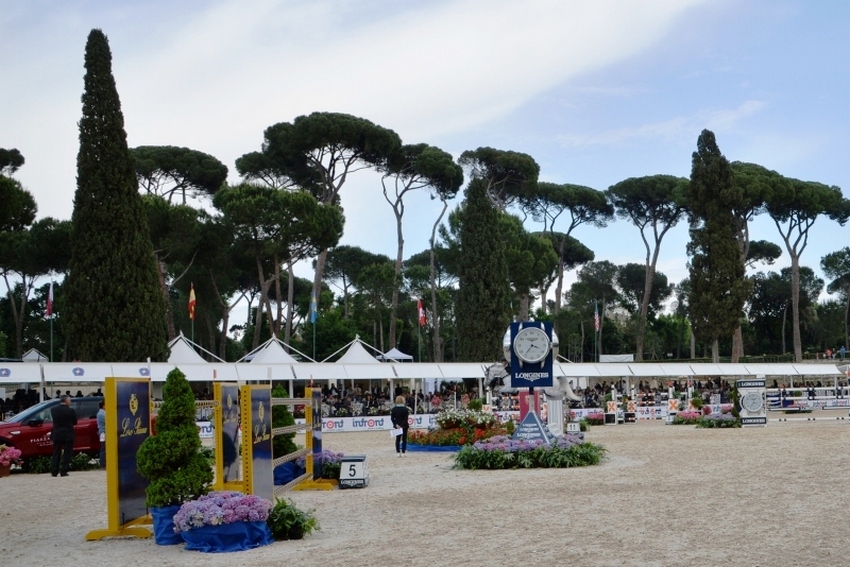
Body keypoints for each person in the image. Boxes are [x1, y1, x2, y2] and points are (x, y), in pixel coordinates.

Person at [50, 395, 77, 477]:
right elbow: (75, 422)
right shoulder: (71, 410)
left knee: (56, 452)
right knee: (67, 453)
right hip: (68, 433)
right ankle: (64, 470)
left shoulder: (53, 410)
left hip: (57, 433)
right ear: (66, 401)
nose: (70, 402)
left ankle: (54, 471)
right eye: (70, 400)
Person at [96, 400, 106, 469]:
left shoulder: (104, 413)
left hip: (104, 432)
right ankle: (102, 465)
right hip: (103, 433)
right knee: (103, 448)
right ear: (103, 406)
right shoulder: (101, 414)